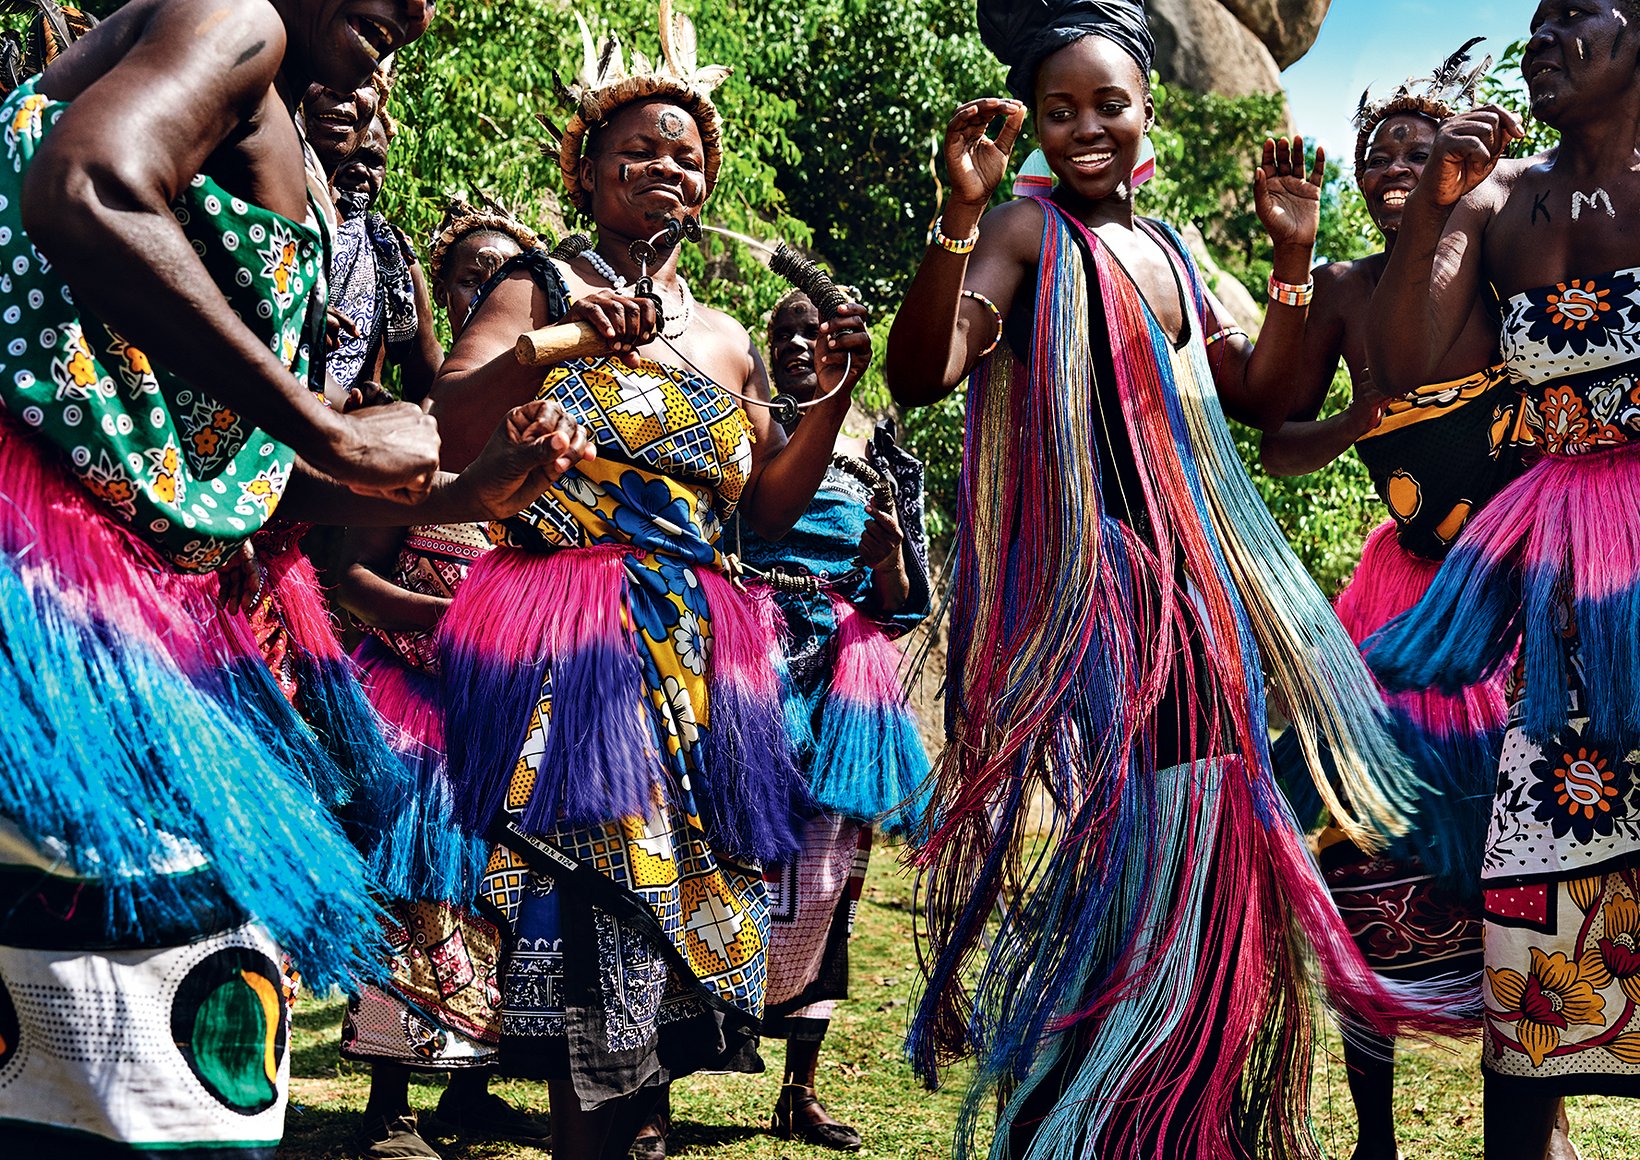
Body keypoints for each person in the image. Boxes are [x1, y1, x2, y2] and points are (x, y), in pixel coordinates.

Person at [0, 2, 596, 1153]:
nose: (420, 13)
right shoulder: (233, 18)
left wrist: (461, 495)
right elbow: (87, 187)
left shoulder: (219, 71)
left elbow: (205, 462)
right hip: (73, 606)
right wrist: (326, 428)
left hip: (131, 604)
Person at [885, 0, 1460, 1155]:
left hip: (1198, 586)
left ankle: (1139, 1101)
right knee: (1172, 836)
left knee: (1197, 845)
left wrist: (1289, 255)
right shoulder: (1021, 231)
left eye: (1107, 104)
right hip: (1106, 589)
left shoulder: (1166, 248)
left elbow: (1262, 397)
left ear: (1147, 110)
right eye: (1059, 110)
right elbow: (922, 370)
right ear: (1034, 124)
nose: (1084, 127)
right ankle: (1113, 1103)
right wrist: (956, 214)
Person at [427, 6, 871, 1157]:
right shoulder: (532, 286)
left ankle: (637, 1129)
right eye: (639, 146)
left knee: (666, 925)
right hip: (573, 645)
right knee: (594, 919)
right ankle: (603, 1132)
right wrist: (560, 340)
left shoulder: (722, 336)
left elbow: (762, 512)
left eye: (687, 152)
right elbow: (443, 426)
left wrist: (823, 401)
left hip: (697, 652)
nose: (666, 165)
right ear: (583, 169)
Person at [1363, 3, 1640, 1156]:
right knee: (1547, 860)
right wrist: (1437, 206)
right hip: (1555, 596)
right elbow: (1414, 370)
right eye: (1531, 20)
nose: (1543, 34)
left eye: (1577, 12)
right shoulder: (1497, 197)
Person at [1254, 61, 1535, 1160]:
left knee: (1515, 858)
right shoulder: (1339, 288)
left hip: (1515, 588)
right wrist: (1355, 416)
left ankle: (1525, 1121)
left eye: (1419, 153)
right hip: (1395, 597)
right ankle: (1372, 1135)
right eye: (1378, 153)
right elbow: (1277, 440)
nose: (1395, 171)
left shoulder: (1503, 271)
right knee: (1356, 841)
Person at [632, 289, 933, 1158]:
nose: (803, 344)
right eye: (787, 331)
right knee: (710, 863)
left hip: (842, 686)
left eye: (820, 331)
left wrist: (884, 565)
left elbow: (906, 606)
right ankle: (655, 1092)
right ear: (766, 344)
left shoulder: (876, 452)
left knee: (825, 884)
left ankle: (799, 1090)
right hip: (740, 665)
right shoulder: (729, 428)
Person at [335, 200, 550, 1159]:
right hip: (411, 702)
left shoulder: (556, 432)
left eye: (506, 277)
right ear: (438, 289)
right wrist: (447, 618)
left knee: (490, 900)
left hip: (498, 704)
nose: (485, 290)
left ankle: (466, 1096)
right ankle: (388, 1108)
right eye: (467, 276)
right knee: (411, 890)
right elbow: (350, 579)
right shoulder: (411, 427)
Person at [326, 108, 442, 403]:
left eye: (374, 161)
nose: (360, 170)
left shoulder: (394, 254)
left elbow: (425, 376)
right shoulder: (293, 219)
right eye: (350, 154)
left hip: (354, 426)